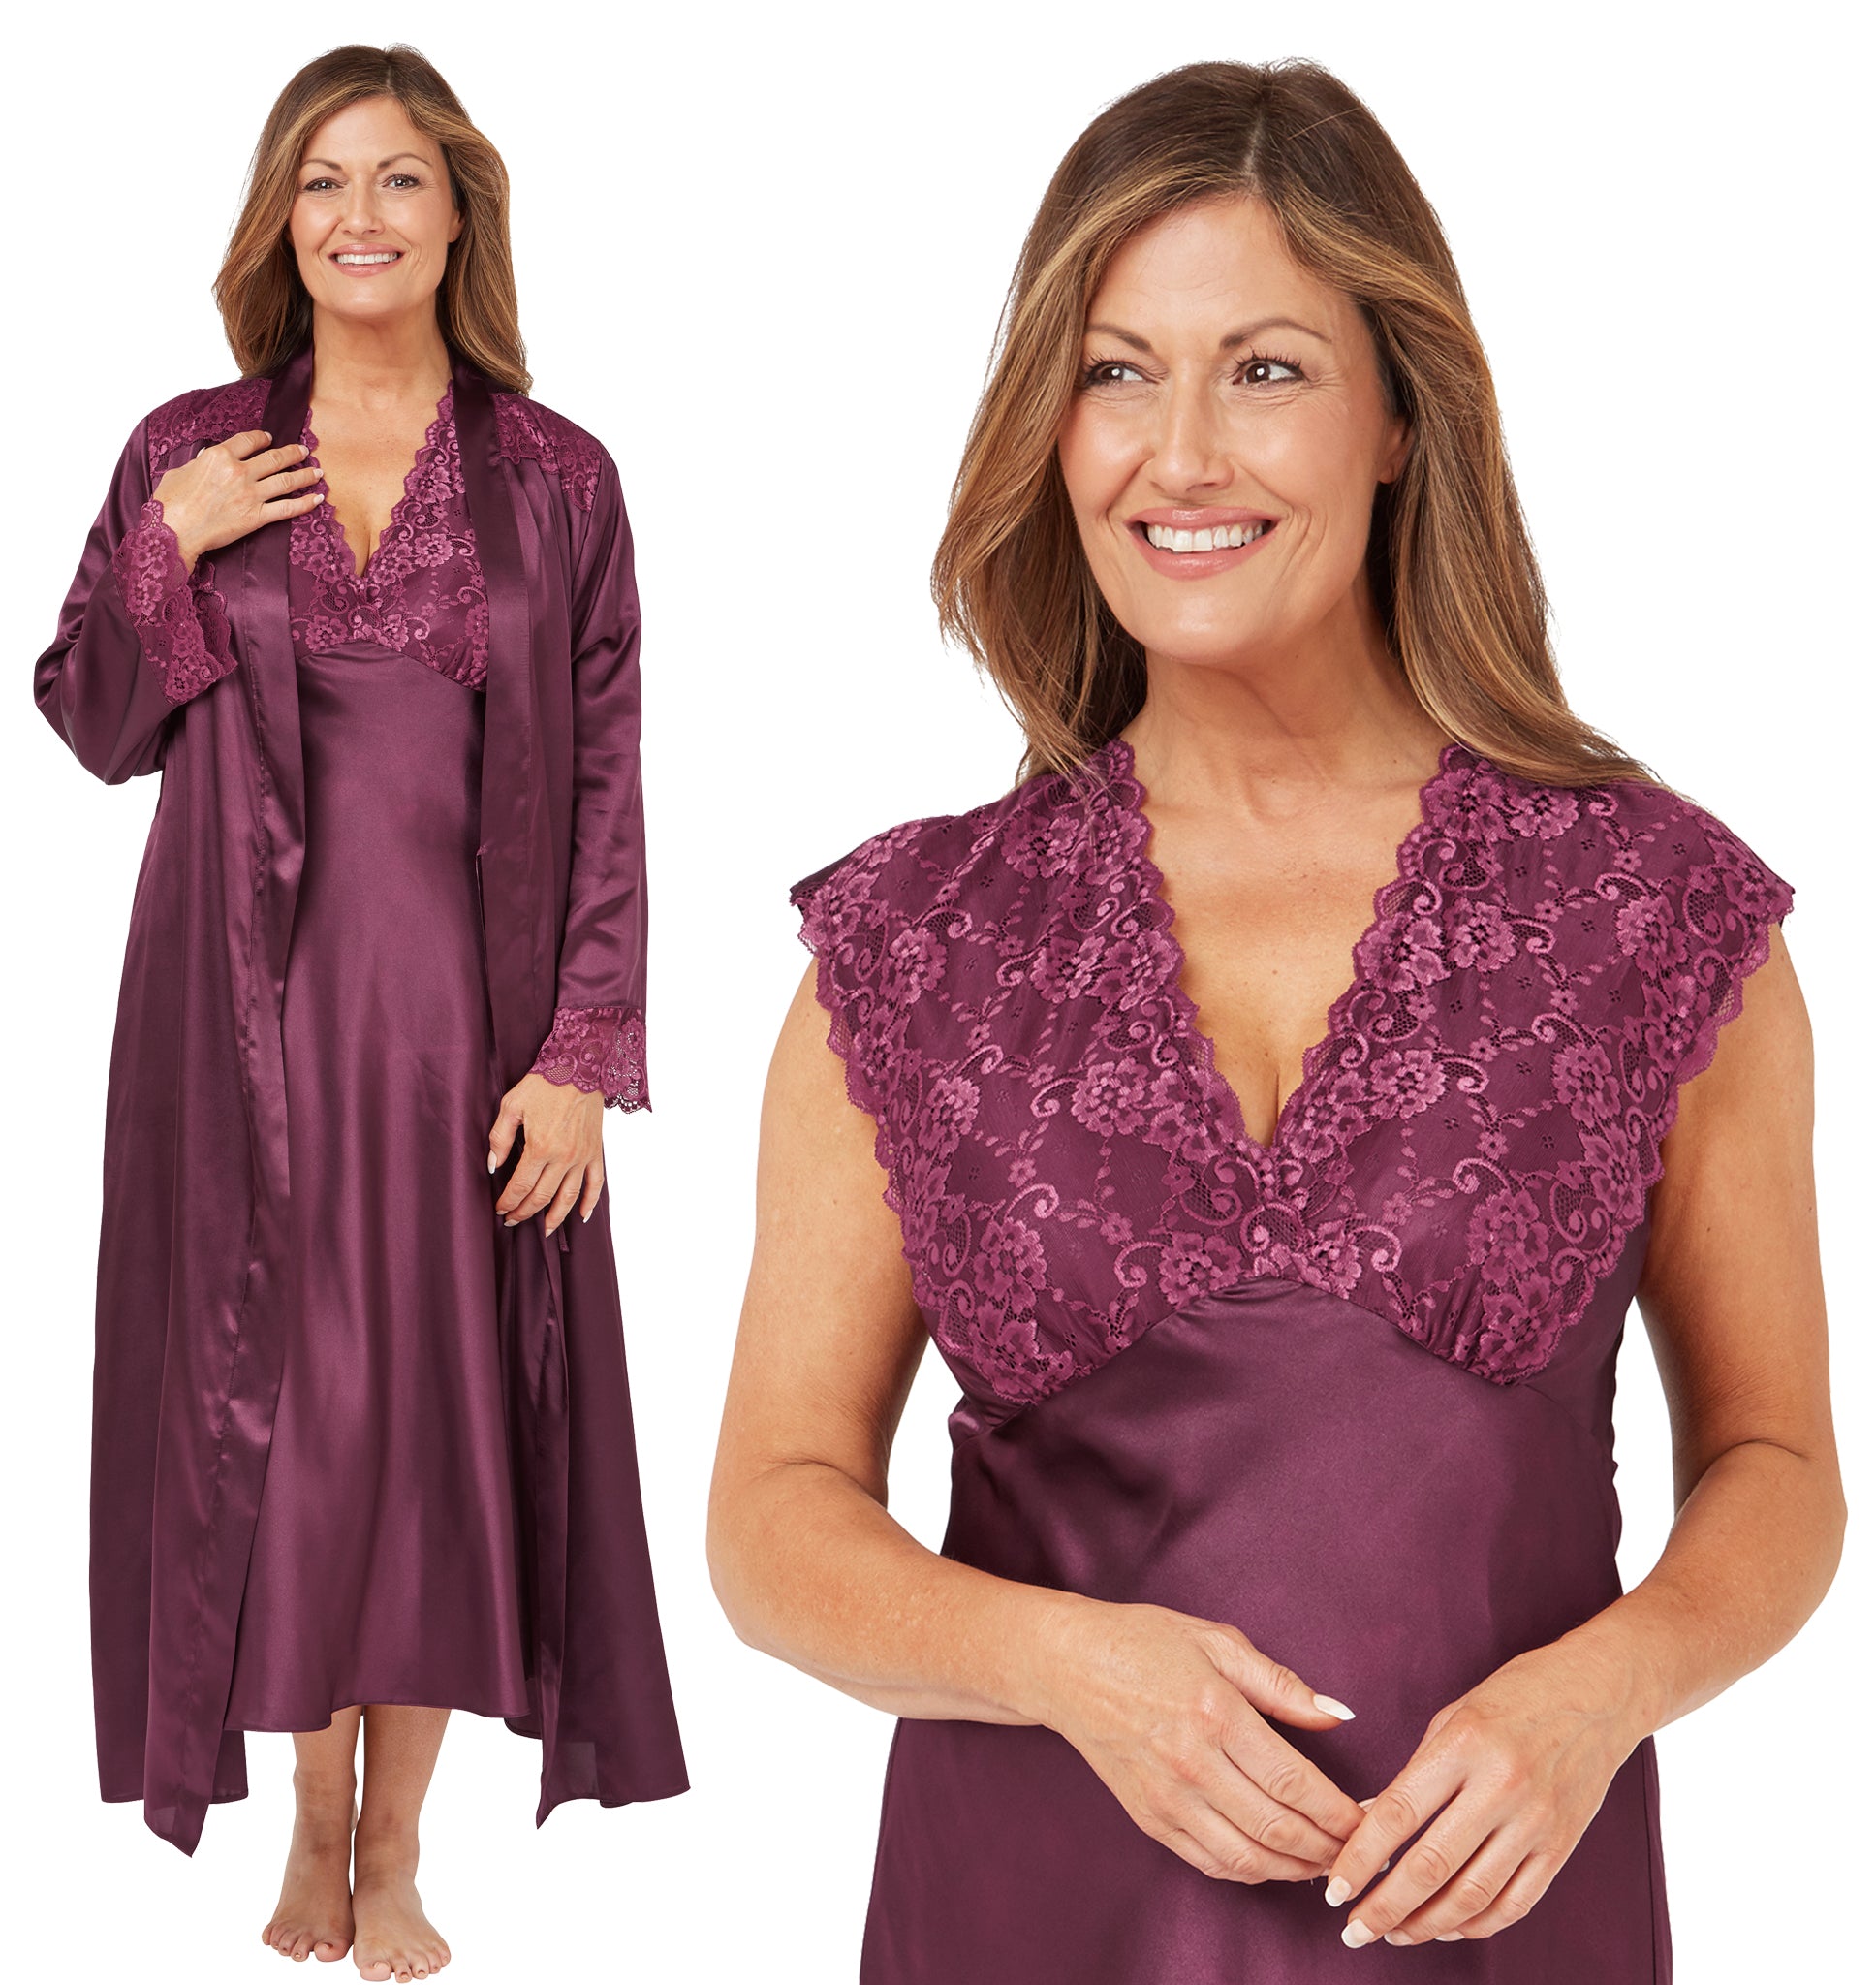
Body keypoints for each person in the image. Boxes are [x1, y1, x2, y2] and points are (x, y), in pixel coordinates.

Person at [707, 57, 1842, 1982]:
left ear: (1400, 415)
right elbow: (772, 1516)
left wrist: (1594, 1698)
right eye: (1116, 371)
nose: (1180, 456)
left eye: (1264, 370)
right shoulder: (910, 944)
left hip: (1495, 1936)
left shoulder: (1651, 911)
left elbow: (1779, 1471)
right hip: (1029, 1925)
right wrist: (1065, 1665)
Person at [34, 42, 686, 1982]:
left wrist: (582, 1056)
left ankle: (396, 1844)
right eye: (321, 181)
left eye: (398, 178)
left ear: (459, 212)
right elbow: (93, 722)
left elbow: (607, 779)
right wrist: (168, 546)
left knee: (434, 1425)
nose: (359, 216)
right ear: (279, 220)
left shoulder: (558, 479)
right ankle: (313, 1818)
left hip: (465, 1040)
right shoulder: (189, 450)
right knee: (295, 1424)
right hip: (238, 1028)